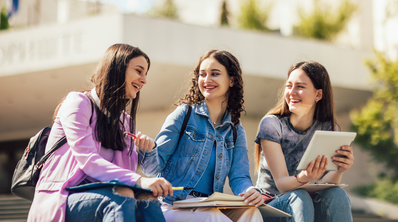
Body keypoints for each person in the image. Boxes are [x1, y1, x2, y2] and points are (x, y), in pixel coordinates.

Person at [27, 44, 173, 222]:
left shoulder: (126, 122)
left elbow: (125, 173)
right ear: (117, 69)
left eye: (146, 74)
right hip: (61, 197)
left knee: (147, 198)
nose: (144, 80)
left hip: (103, 195)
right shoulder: (78, 103)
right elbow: (88, 161)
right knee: (122, 196)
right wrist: (139, 180)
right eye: (139, 71)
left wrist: (147, 152)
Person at [140, 50, 264, 222]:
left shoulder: (235, 129)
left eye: (215, 74)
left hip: (209, 204)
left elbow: (239, 176)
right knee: (212, 216)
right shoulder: (184, 114)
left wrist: (251, 191)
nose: (207, 80)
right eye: (202, 74)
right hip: (173, 205)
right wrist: (149, 149)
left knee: (252, 213)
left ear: (232, 80)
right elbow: (151, 169)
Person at [254, 61, 354, 222]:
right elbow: (281, 184)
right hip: (272, 206)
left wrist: (339, 170)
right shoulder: (271, 124)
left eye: (300, 87)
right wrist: (305, 176)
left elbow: (323, 185)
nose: (291, 92)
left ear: (318, 95)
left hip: (306, 206)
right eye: (289, 86)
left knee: (337, 193)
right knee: (299, 196)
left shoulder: (329, 127)